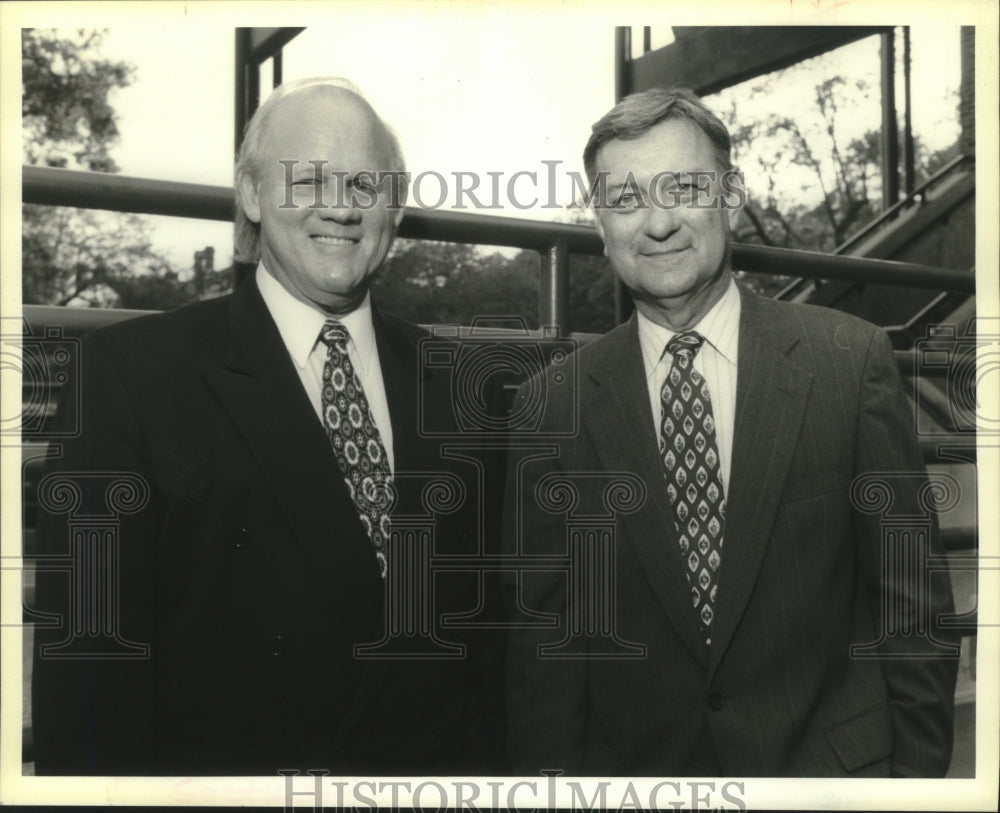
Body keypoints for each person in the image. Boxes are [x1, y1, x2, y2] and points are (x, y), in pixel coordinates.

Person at [31, 77, 504, 775]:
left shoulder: (470, 389)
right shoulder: (129, 378)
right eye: (309, 178)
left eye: (365, 184)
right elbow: (91, 692)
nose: (340, 208)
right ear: (251, 194)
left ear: (394, 209)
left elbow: (493, 668)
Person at [503, 87, 959, 777]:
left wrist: (914, 792)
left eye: (683, 188)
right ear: (600, 224)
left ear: (732, 196)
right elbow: (549, 658)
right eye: (626, 198)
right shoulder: (551, 409)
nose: (658, 223)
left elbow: (912, 608)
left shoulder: (850, 364)